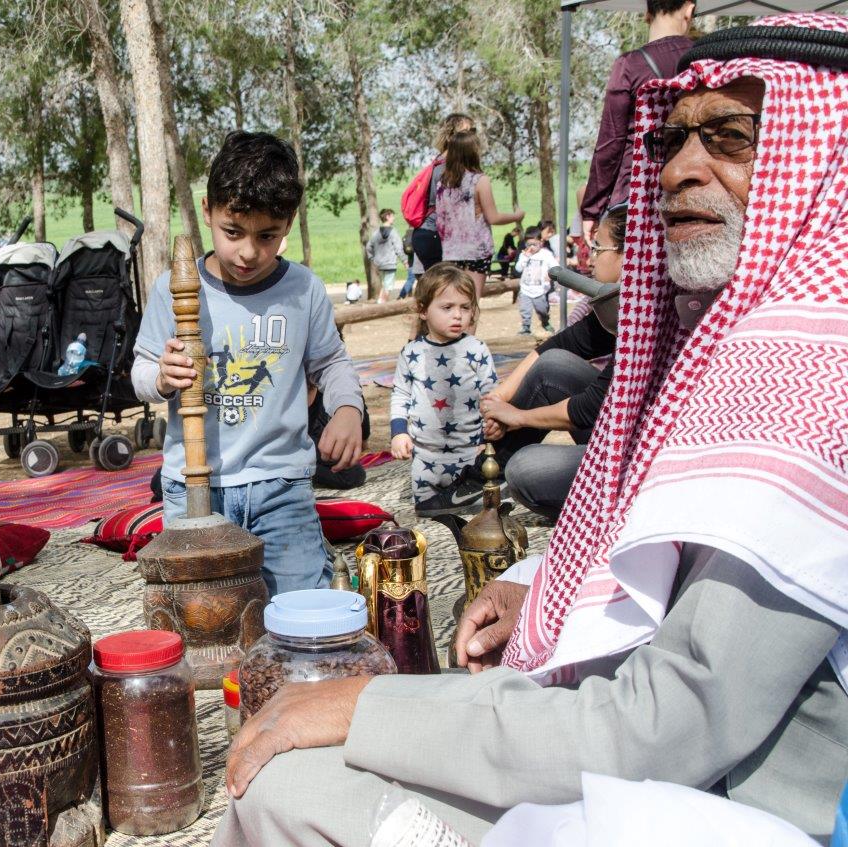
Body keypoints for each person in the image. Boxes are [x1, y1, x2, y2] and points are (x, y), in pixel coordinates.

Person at [210, 16, 848, 845]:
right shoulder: (725, 334)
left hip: (735, 802)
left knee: (290, 789)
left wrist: (369, 703)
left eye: (730, 137)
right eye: (673, 139)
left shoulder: (810, 373)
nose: (682, 169)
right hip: (652, 744)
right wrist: (551, 578)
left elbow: (665, 721)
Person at [133, 130, 364, 597]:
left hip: (281, 485)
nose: (248, 252)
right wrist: (160, 377)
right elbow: (139, 372)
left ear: (289, 224)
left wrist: (348, 409)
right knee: (197, 612)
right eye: (232, 232)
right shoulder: (172, 289)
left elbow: (331, 363)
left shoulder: (302, 289)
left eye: (268, 236)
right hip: (194, 488)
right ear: (207, 211)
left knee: (304, 607)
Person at [483, 205, 626, 520]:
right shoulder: (620, 302)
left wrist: (517, 417)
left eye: (598, 247)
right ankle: (487, 475)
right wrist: (499, 399)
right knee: (554, 365)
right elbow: (559, 344)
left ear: (626, 255)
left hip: (637, 455)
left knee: (526, 470)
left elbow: (587, 408)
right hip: (619, 430)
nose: (588, 255)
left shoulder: (645, 311)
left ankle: (616, 509)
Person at [580, 0, 695, 242]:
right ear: (689, 10)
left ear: (646, 14)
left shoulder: (630, 65)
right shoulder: (707, 60)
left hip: (636, 194)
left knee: (631, 277)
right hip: (692, 188)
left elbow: (610, 144)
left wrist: (591, 208)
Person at [389, 264, 499, 517]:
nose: (458, 315)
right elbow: (401, 395)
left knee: (474, 515)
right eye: (447, 308)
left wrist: (488, 440)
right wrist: (398, 432)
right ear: (423, 310)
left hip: (469, 454)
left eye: (465, 307)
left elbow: (492, 395)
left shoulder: (476, 349)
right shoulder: (411, 352)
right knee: (427, 515)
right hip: (425, 456)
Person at [434, 131, 524, 300]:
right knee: (471, 302)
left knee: (455, 302)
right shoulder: (480, 181)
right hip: (477, 251)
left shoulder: (442, 183)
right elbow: (493, 217)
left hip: (451, 251)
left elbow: (441, 221)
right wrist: (516, 216)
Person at [408, 114, 477, 273]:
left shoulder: (439, 162)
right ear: (452, 136)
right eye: (468, 132)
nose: (472, 137)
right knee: (447, 291)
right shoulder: (450, 168)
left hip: (427, 235)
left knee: (441, 291)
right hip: (437, 236)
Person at [512, 227, 557, 335]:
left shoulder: (546, 254)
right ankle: (526, 327)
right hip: (525, 289)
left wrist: (550, 275)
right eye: (528, 245)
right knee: (525, 309)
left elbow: (555, 266)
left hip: (540, 290)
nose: (531, 247)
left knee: (542, 309)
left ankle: (545, 322)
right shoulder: (524, 255)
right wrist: (525, 258)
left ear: (541, 242)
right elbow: (518, 269)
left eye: (534, 244)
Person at [364, 208, 406, 303]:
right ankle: (382, 304)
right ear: (387, 217)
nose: (394, 218)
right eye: (392, 216)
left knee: (384, 284)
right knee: (389, 286)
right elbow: (398, 248)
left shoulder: (376, 233)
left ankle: (380, 301)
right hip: (390, 263)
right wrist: (404, 260)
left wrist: (372, 259)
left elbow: (368, 247)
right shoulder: (393, 232)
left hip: (379, 263)